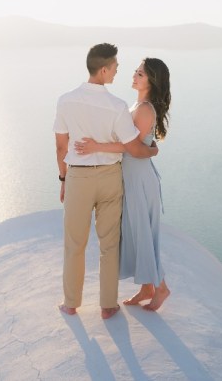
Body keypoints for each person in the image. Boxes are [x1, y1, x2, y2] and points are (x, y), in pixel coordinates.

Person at [54, 43, 158, 320]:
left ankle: (71, 303)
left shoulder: (66, 100)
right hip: (111, 178)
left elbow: (61, 147)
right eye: (115, 67)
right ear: (103, 69)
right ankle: (108, 305)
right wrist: (153, 149)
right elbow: (131, 147)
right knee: (109, 244)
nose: (117, 71)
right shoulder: (118, 106)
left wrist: (64, 179)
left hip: (78, 177)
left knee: (74, 243)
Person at [75, 57, 172, 311]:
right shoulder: (138, 105)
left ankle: (161, 288)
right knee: (135, 232)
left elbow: (133, 148)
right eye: (136, 72)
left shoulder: (143, 109)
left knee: (143, 234)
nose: (134, 76)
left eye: (140, 74)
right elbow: (142, 146)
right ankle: (146, 288)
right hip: (132, 176)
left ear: (151, 80)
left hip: (139, 179)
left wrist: (96, 147)